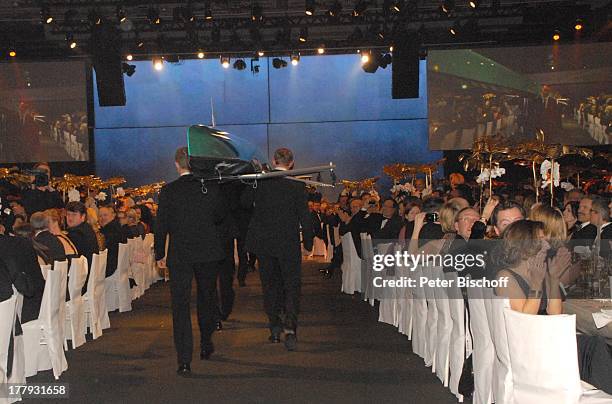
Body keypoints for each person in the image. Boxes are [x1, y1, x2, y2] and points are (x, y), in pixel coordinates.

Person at [154, 147, 227, 375]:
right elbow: (220, 217)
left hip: (180, 254)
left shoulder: (168, 191)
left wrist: (159, 254)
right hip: (207, 252)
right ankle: (206, 343)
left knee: (180, 306)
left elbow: (161, 225)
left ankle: (184, 359)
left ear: (177, 165)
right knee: (207, 298)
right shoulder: (210, 187)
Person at [241, 147, 314, 351]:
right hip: (288, 243)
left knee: (270, 285)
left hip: (264, 244)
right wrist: (308, 242)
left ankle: (274, 325)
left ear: (274, 160)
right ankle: (290, 327)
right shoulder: (298, 186)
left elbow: (244, 203)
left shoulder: (262, 181)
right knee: (291, 286)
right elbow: (305, 217)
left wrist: (252, 181)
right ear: (291, 163)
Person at [494, 220, 566, 315]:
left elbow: (556, 314)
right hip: (526, 328)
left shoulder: (541, 269)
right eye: (540, 240)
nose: (547, 246)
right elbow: (524, 321)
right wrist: (536, 285)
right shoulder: (505, 277)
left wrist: (554, 279)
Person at [66, 201, 100, 293]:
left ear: (83, 217)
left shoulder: (76, 234)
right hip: (89, 274)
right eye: (68, 214)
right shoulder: (87, 228)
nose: (70, 218)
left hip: (81, 279)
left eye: (74, 214)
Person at [99, 205, 126, 278]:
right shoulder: (117, 226)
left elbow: (103, 248)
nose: (102, 218)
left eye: (105, 215)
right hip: (117, 262)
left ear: (112, 216)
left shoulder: (109, 230)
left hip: (109, 265)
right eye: (100, 216)